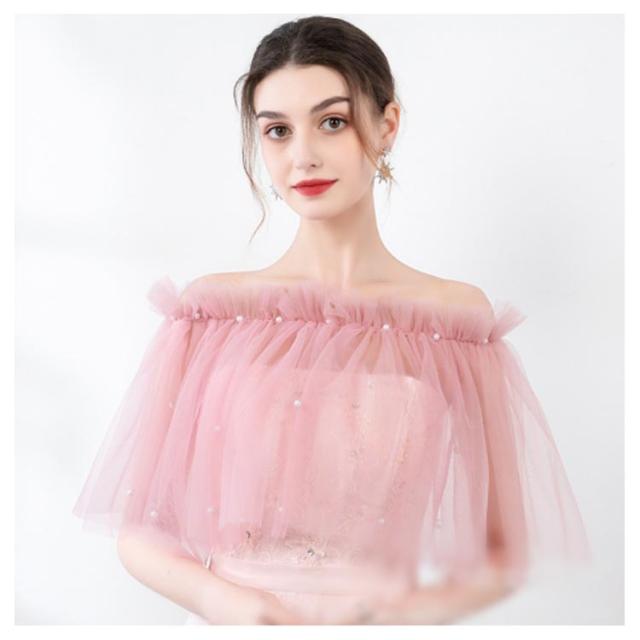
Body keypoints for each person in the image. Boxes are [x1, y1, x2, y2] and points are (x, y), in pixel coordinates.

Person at [72, 15, 591, 625]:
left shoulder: (454, 325)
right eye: (278, 131)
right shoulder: (211, 317)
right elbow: (142, 532)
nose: (303, 156)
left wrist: (394, 618)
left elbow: (505, 553)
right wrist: (228, 602)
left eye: (332, 122)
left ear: (387, 124)